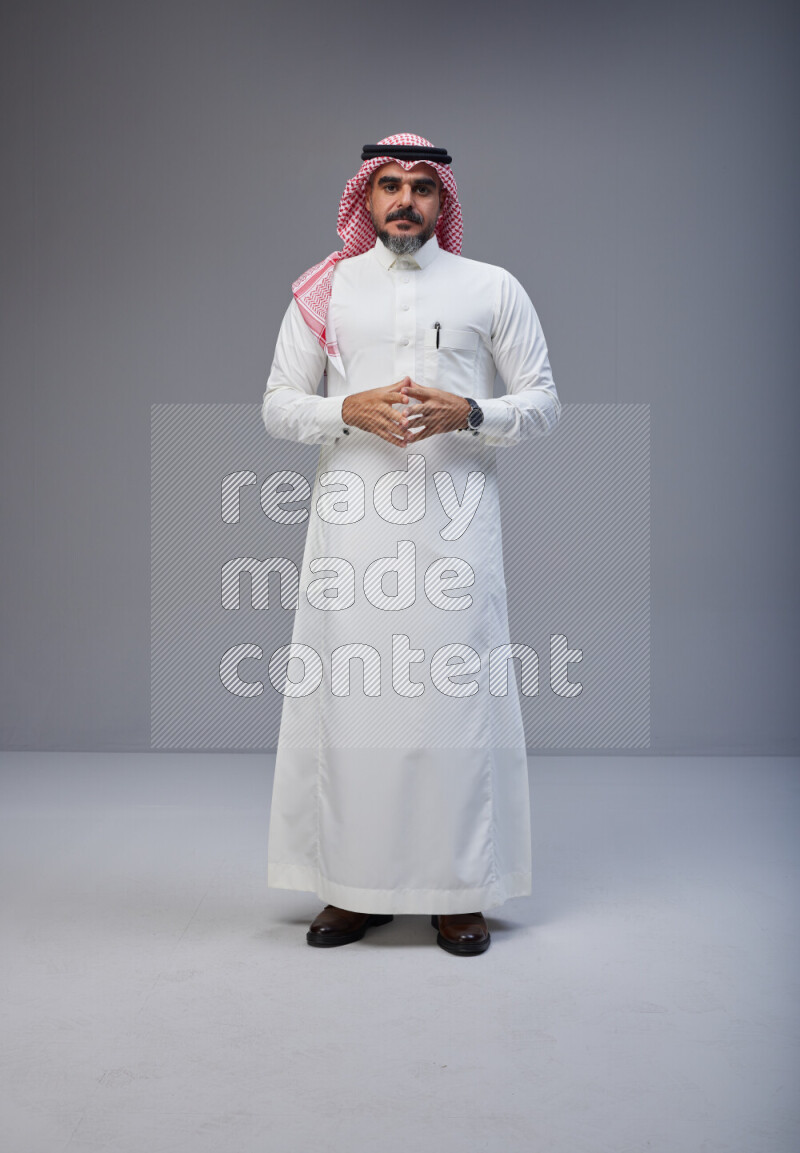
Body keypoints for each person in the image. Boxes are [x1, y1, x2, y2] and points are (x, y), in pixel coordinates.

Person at [261, 133, 561, 955]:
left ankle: (458, 892)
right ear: (365, 197)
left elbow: (542, 401)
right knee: (352, 703)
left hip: (455, 529)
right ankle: (351, 888)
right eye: (389, 185)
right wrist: (343, 410)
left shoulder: (491, 287)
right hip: (352, 532)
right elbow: (278, 404)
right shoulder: (327, 289)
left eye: (421, 187)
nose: (404, 200)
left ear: (442, 201)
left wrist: (472, 411)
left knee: (453, 706)